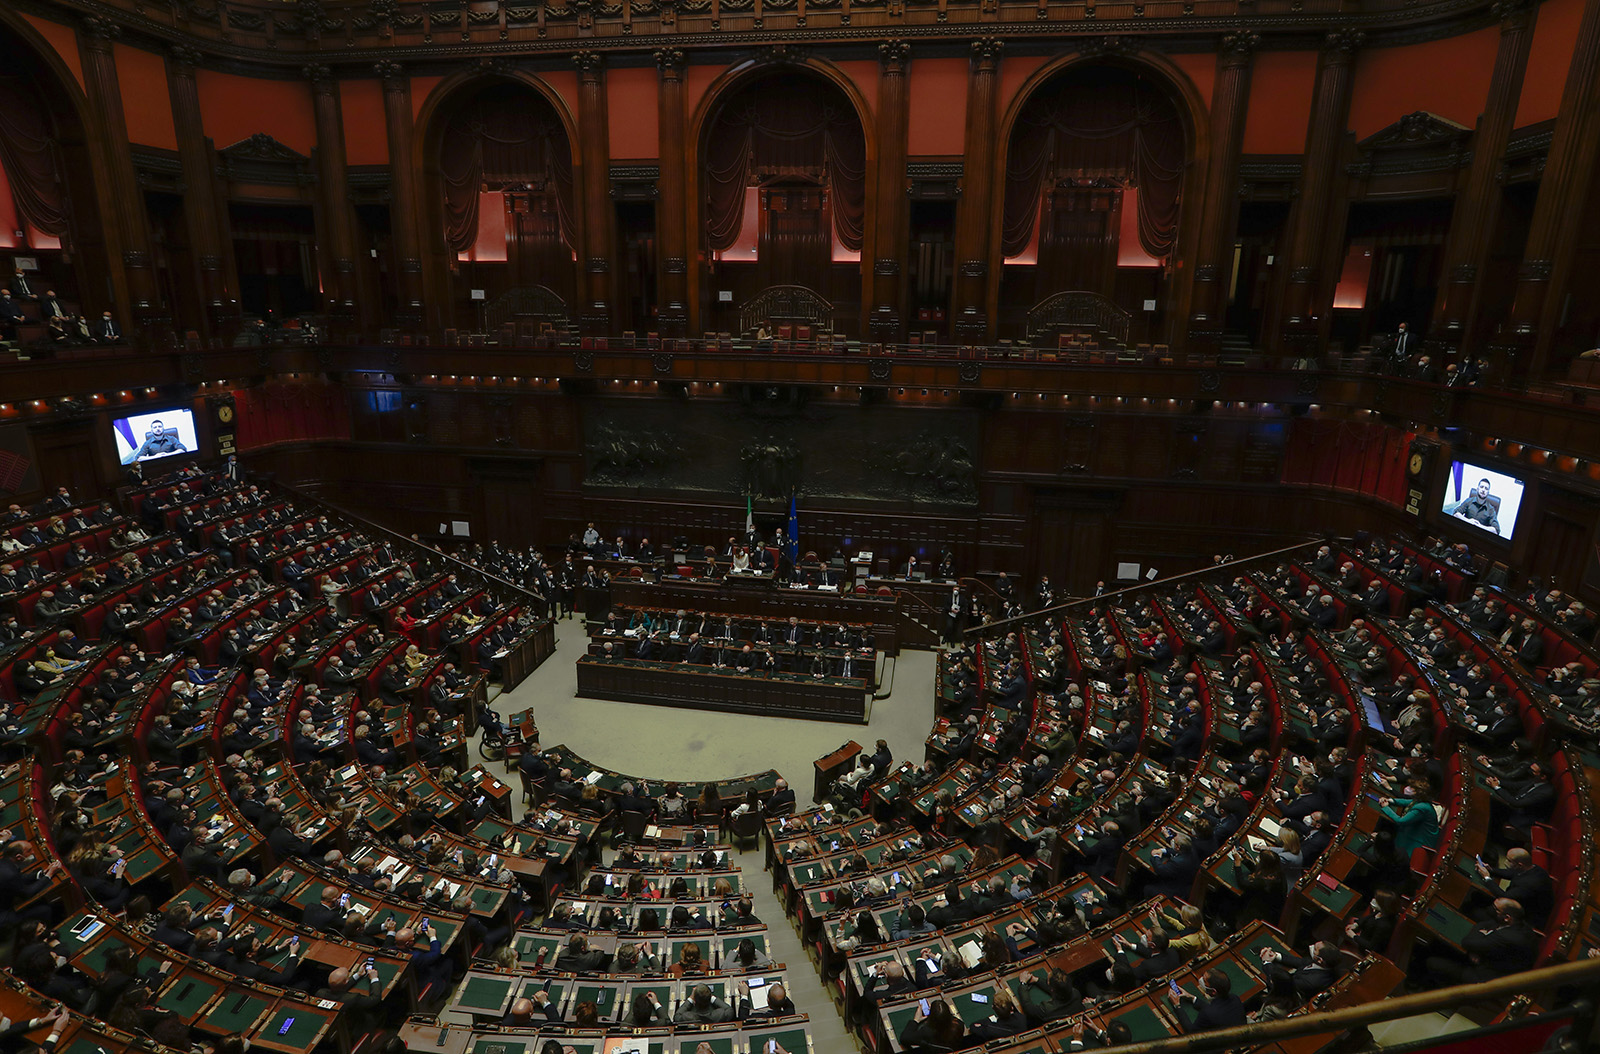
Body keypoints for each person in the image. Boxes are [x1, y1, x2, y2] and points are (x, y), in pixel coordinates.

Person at [1167, 969, 1246, 1032]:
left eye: (1204, 981)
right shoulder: (1234, 998)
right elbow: (1216, 1010)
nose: (1200, 980)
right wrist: (1192, 998)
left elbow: (1191, 1032)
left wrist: (1177, 1006)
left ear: (1213, 991)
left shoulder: (1208, 1013)